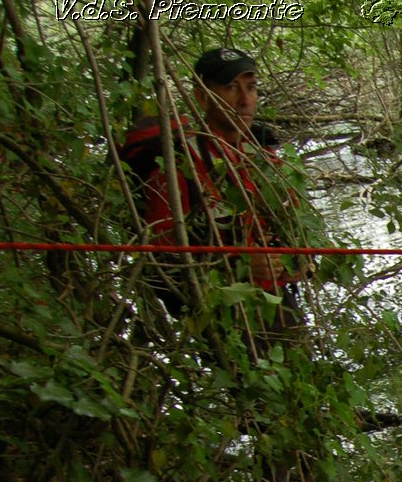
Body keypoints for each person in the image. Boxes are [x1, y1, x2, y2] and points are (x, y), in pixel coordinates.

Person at [119, 47, 308, 344]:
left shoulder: (265, 158)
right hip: (226, 319)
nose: (245, 101)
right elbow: (163, 263)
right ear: (203, 97)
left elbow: (296, 233)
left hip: (280, 303)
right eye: (231, 88)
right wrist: (240, 267)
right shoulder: (178, 168)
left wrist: (291, 262)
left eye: (251, 88)